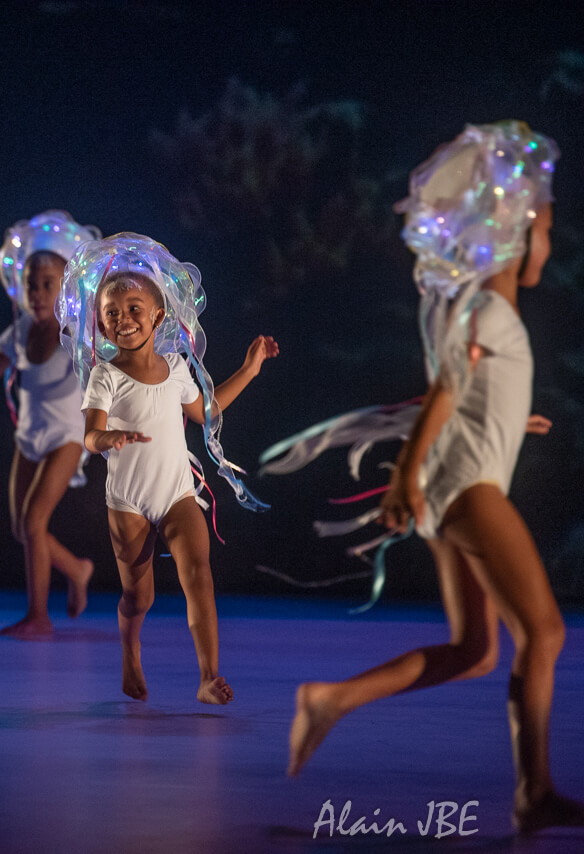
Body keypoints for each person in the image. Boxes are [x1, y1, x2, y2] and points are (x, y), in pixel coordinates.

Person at [285, 121, 583, 833]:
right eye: (545, 229)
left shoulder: (481, 308)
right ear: (515, 229)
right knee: (544, 633)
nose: (548, 244)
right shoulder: (487, 306)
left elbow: (462, 392)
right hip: (468, 487)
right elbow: (446, 389)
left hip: (457, 482)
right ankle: (534, 793)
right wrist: (404, 479)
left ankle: (329, 699)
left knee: (476, 650)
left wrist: (508, 420)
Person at [59, 233, 276, 704]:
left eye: (133, 309)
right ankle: (130, 652)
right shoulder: (106, 376)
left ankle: (208, 677)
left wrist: (249, 370)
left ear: (158, 315)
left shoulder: (177, 367)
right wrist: (107, 438)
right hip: (128, 504)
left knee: (198, 574)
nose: (123, 319)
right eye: (111, 313)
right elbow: (91, 435)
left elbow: (206, 414)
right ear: (100, 324)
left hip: (177, 494)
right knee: (140, 598)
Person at [0, 212, 99, 639]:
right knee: (22, 528)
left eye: (48, 284)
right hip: (29, 437)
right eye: (31, 285)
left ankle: (38, 616)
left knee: (35, 521)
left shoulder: (78, 332)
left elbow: (111, 365)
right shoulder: (22, 328)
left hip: (67, 437)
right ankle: (76, 570)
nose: (38, 293)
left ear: (68, 288)